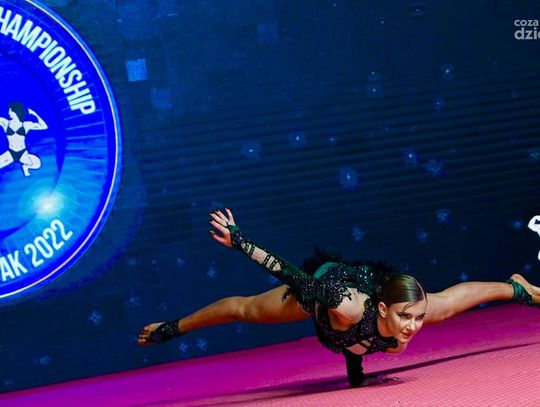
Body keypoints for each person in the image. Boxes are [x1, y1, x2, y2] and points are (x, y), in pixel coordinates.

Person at [138, 209, 540, 387]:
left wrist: (409, 320)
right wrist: (240, 241)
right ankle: (173, 326)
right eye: (406, 317)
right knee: (243, 309)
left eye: (417, 318)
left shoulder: (406, 317)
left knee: (446, 307)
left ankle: (517, 287)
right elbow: (286, 272)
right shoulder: (343, 304)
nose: (413, 326)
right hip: (319, 293)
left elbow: (439, 304)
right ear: (383, 308)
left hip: (361, 315)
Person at [0, 102, 48, 176]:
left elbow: (44, 126)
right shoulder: (5, 123)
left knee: (37, 164)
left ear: (15, 111)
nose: (9, 112)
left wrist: (34, 114)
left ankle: (26, 167)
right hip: (11, 152)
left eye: (10, 110)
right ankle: (25, 167)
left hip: (22, 153)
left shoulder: (25, 125)